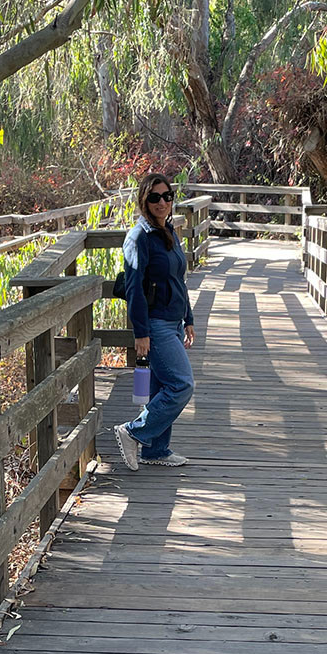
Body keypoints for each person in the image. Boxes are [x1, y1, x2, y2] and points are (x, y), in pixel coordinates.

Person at [112, 173, 195, 470]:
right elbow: (134, 288)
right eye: (154, 197)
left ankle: (156, 450)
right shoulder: (139, 237)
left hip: (173, 320)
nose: (162, 202)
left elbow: (178, 280)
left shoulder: (168, 231)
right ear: (144, 201)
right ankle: (133, 432)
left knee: (162, 389)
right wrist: (141, 332)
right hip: (156, 323)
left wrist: (188, 318)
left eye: (167, 196)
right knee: (182, 385)